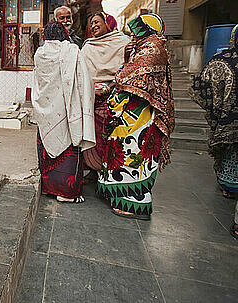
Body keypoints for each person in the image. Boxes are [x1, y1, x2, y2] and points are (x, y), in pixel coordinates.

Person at [97, 13, 174, 220]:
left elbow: (126, 76)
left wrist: (112, 89)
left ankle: (135, 204)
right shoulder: (144, 48)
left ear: (144, 29)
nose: (132, 36)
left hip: (141, 118)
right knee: (126, 153)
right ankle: (120, 195)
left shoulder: (152, 49)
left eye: (135, 31)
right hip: (133, 115)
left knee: (135, 157)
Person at [32, 22, 95, 203]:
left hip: (47, 111)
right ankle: (66, 194)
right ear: (64, 34)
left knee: (47, 145)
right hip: (67, 111)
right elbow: (84, 79)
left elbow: (37, 82)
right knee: (68, 146)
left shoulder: (40, 54)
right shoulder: (72, 51)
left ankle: (48, 188)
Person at [190, 25, 238, 237]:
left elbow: (202, 89)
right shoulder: (223, 61)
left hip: (227, 121)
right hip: (227, 119)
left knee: (229, 153)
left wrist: (216, 107)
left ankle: (228, 186)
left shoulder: (222, 60)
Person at [80, 13, 130, 176]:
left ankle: (110, 173)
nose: (93, 25)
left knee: (111, 138)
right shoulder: (88, 46)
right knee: (92, 135)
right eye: (91, 23)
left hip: (115, 99)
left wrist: (110, 86)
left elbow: (128, 71)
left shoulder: (123, 42)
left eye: (97, 22)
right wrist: (90, 88)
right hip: (91, 99)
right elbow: (81, 73)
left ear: (108, 23)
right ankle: (94, 169)